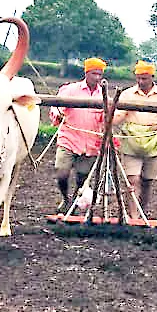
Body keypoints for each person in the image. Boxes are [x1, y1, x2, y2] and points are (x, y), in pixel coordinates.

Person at [111, 60, 157, 211]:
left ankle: (142, 212)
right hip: (131, 141)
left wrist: (155, 128)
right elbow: (119, 116)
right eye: (138, 78)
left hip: (154, 141)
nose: (141, 81)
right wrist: (108, 119)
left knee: (147, 181)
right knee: (132, 180)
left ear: (152, 77)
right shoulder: (127, 94)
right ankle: (133, 215)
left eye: (145, 78)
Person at [49, 57, 108, 206]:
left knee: (83, 178)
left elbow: (107, 117)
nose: (97, 78)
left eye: (100, 74)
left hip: (91, 142)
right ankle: (65, 198)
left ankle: (74, 203)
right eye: (94, 74)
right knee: (61, 172)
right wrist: (58, 114)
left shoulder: (103, 95)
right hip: (69, 138)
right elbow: (56, 107)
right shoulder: (70, 90)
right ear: (86, 73)